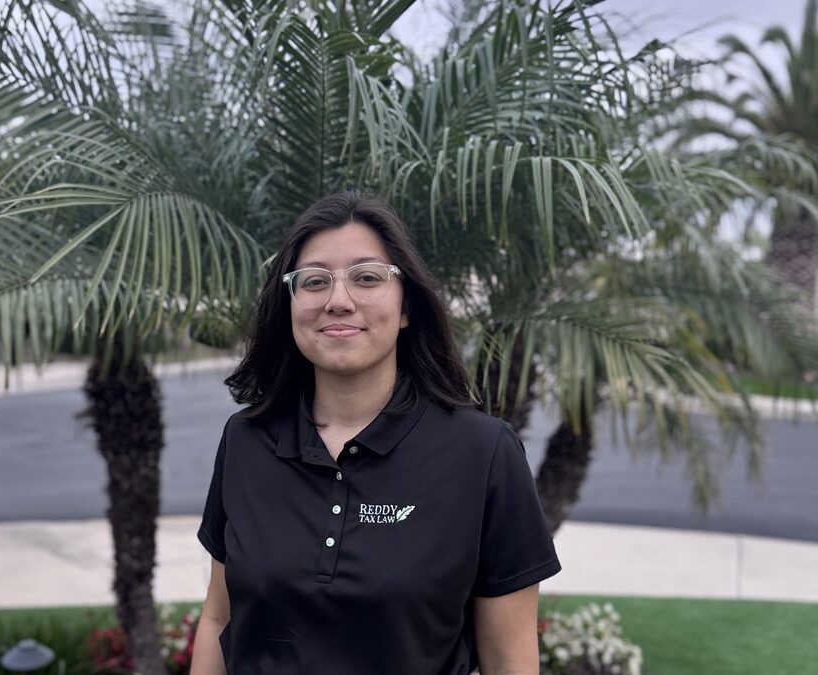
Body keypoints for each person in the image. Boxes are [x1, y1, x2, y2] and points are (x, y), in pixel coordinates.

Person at [190, 190, 561, 675]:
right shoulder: (246, 440)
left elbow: (510, 662)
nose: (338, 301)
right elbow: (219, 616)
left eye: (366, 277)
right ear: (290, 305)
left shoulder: (483, 453)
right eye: (314, 281)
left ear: (406, 307)